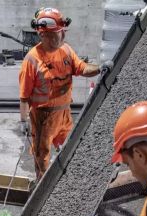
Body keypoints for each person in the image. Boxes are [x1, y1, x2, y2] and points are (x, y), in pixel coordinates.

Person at [19, 7, 105, 180]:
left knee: (69, 148)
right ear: (43, 34)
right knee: (41, 156)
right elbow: (24, 97)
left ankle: (67, 180)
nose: (63, 36)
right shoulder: (32, 60)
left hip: (64, 113)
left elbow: (82, 68)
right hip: (43, 119)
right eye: (58, 33)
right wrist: (24, 121)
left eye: (62, 32)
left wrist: (100, 69)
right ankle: (41, 187)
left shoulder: (66, 50)